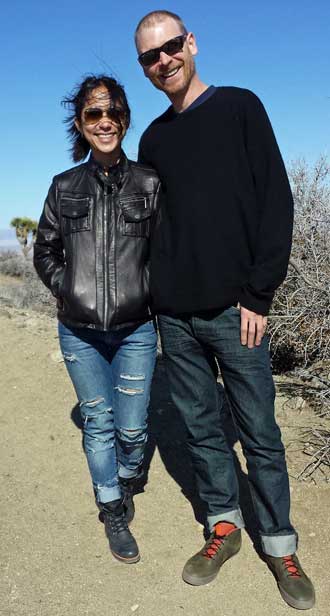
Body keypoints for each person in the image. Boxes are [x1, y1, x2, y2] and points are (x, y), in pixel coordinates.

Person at [134, 10, 315, 610]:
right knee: (202, 430)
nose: (163, 61)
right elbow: (157, 225)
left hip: (237, 312)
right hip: (176, 317)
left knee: (260, 432)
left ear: (191, 43)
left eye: (170, 47)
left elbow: (276, 201)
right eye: (149, 57)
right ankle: (224, 527)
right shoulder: (153, 138)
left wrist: (258, 293)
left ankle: (280, 544)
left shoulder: (241, 106)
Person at [34, 75, 161, 564]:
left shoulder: (149, 182)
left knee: (132, 429)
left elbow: (162, 250)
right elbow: (45, 249)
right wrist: (68, 288)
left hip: (136, 329)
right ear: (81, 123)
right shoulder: (64, 186)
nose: (104, 122)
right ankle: (111, 504)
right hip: (79, 332)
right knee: (99, 421)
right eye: (93, 114)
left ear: (125, 119)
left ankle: (129, 474)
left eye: (112, 113)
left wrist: (147, 291)